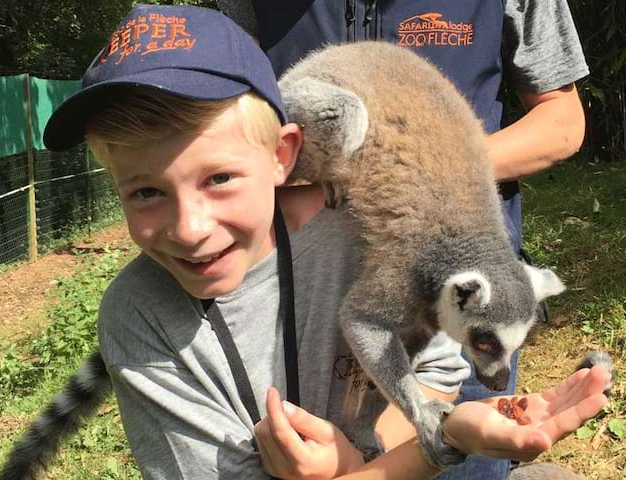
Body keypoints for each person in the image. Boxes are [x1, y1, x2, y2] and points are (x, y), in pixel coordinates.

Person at [40, 4, 608, 480]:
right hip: (334, 163)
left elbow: (562, 119)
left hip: (408, 219)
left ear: (281, 154)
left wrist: (388, 446)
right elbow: (239, 93)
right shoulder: (142, 311)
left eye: (216, 180)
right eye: (145, 192)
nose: (190, 225)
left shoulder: (392, 247)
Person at [215, 1, 589, 477]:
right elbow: (229, 114)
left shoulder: (456, 269)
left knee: (447, 447)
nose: (495, 372)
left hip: (436, 287)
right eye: (492, 351)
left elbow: (564, 118)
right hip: (291, 288)